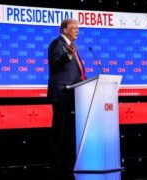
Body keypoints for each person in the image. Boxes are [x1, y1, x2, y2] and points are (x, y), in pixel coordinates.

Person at [47, 18, 86, 172]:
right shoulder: (57, 44)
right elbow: (55, 62)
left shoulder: (72, 46)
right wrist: (67, 54)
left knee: (69, 131)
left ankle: (68, 161)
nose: (77, 31)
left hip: (73, 95)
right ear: (64, 29)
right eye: (74, 28)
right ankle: (56, 164)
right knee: (60, 130)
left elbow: (76, 72)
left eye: (78, 28)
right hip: (62, 94)